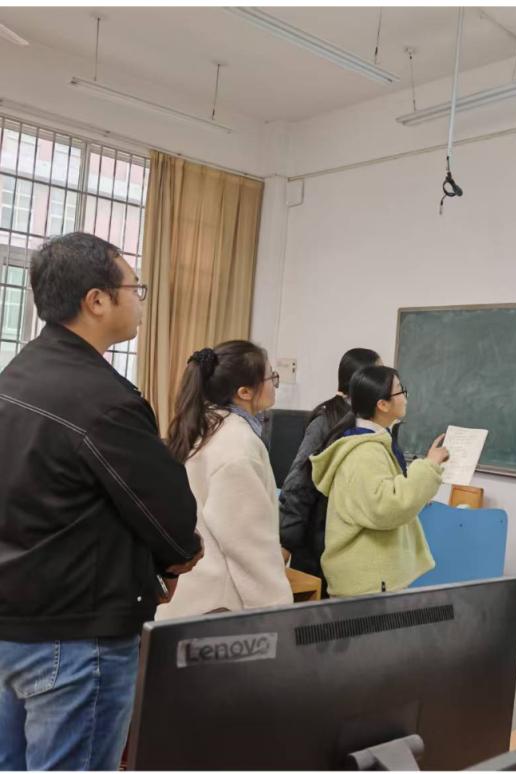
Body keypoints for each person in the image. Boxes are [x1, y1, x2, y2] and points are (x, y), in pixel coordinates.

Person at [0, 232, 202, 770]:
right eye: (136, 287)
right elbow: (171, 516)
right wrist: (177, 559)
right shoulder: (103, 401)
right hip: (75, 636)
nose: (141, 300)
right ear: (96, 301)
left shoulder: (15, 374)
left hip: (14, 622)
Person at [159, 340, 293, 619]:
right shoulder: (237, 443)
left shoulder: (203, 427)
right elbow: (247, 543)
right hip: (218, 604)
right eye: (271, 377)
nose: (274, 384)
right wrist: (276, 611)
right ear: (244, 392)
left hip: (193, 596)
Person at [311, 366, 449, 597]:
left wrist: (424, 479)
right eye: (400, 391)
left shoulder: (374, 445)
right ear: (382, 405)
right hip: (367, 584)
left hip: (373, 581)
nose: (405, 397)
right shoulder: (364, 453)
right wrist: (429, 466)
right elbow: (386, 506)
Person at [279, 348, 380, 584]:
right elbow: (299, 482)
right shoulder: (326, 421)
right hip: (319, 547)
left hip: (353, 549)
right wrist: (286, 542)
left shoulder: (370, 424)